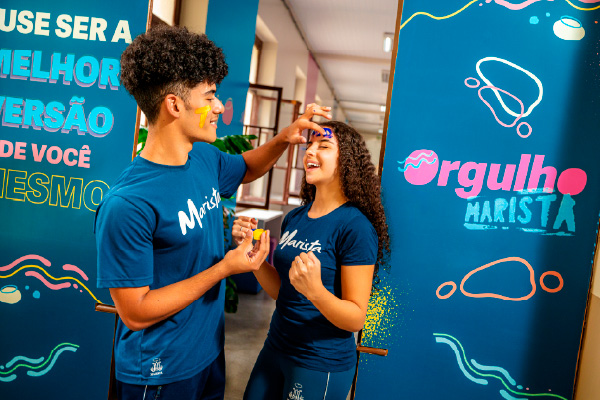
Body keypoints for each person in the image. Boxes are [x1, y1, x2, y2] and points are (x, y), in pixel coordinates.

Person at [94, 26, 331, 400]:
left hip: (207, 353)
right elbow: (135, 312)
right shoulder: (128, 204)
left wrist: (285, 138)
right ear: (174, 105)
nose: (220, 107)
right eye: (211, 96)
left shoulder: (202, 157)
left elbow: (247, 167)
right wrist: (224, 268)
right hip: (159, 371)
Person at [233, 121, 391, 400]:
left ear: (347, 162)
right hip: (276, 346)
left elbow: (356, 318)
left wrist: (316, 292)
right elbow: (285, 292)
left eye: (324, 146)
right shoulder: (296, 217)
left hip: (319, 362)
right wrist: (257, 262)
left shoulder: (355, 227)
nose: (310, 152)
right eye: (309, 146)